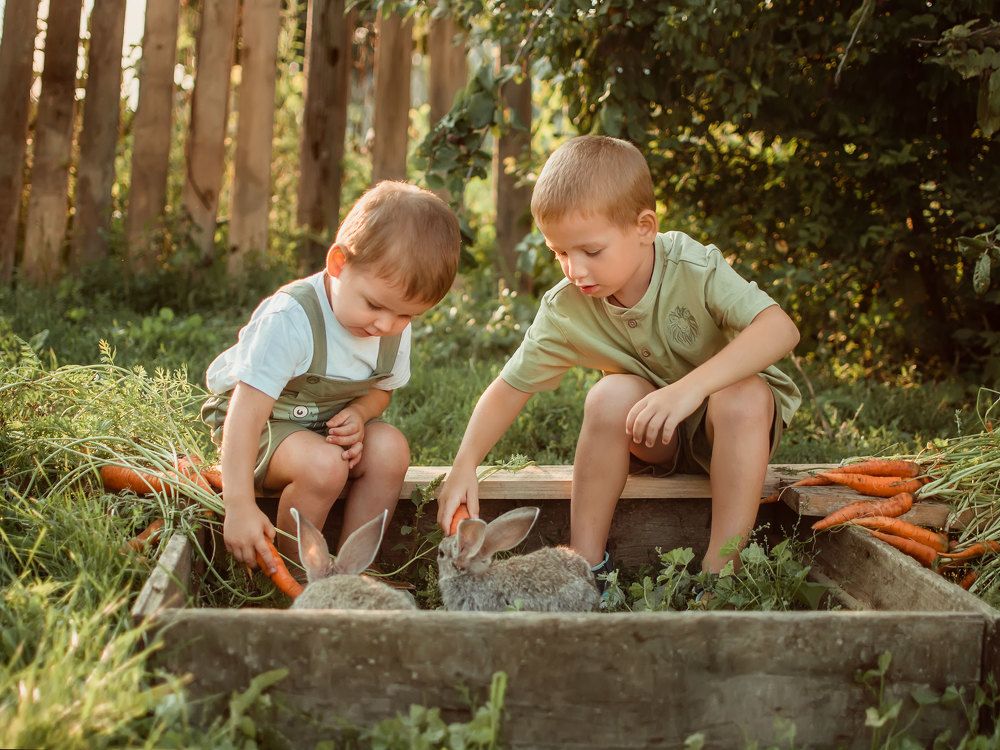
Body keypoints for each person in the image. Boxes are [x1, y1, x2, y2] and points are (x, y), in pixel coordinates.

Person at [436, 135, 801, 578]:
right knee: (610, 394)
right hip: (654, 439)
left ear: (644, 227)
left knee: (741, 395)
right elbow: (511, 386)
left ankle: (720, 574)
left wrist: (689, 390)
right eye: (560, 253)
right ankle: (585, 570)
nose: (575, 269)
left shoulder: (692, 266)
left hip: (735, 428)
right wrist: (464, 464)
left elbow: (781, 329)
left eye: (591, 251)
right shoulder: (567, 307)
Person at [202, 181, 461, 572]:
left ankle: (354, 571)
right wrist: (238, 505)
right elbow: (245, 415)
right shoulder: (292, 319)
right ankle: (296, 573)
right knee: (325, 467)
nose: (386, 324)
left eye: (406, 315)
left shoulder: (390, 327)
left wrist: (358, 413)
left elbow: (381, 391)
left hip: (323, 432)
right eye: (374, 305)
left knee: (391, 448)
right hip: (259, 430)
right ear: (339, 263)